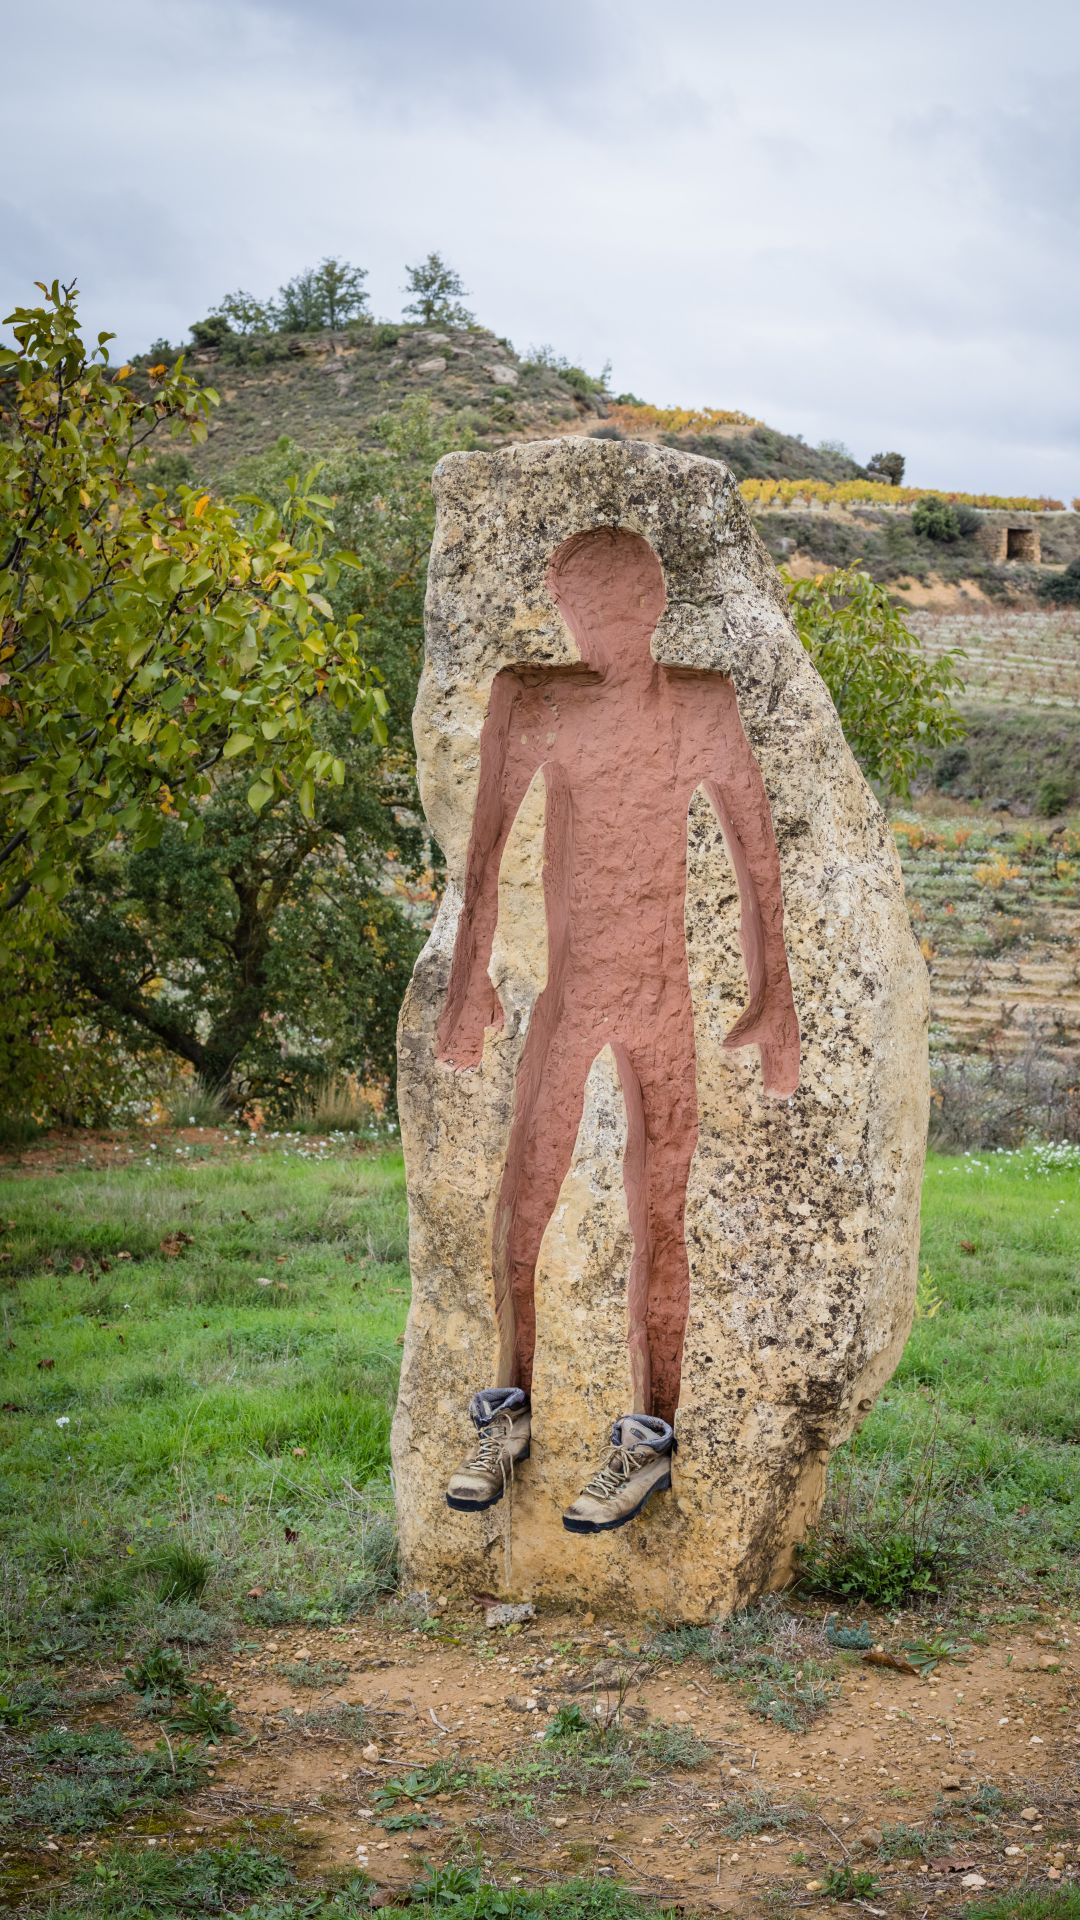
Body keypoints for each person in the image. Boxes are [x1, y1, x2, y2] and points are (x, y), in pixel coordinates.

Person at [438, 525, 799, 1532]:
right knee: (526, 1197)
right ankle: (502, 1416)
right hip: (569, 993)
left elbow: (754, 854)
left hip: (662, 998)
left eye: (611, 605)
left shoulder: (700, 705)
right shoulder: (540, 699)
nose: (594, 627)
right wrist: (469, 983)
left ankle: (648, 1437)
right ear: (563, 613)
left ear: (651, 605)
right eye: (576, 609)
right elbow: (485, 850)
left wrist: (778, 1001)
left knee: (661, 1217)